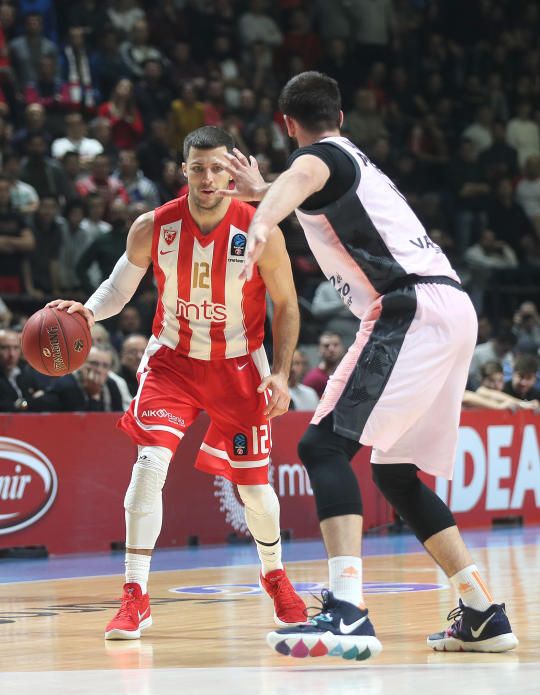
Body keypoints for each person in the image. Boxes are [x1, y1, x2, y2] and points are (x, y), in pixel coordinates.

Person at [217, 72, 518, 660]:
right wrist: (262, 193)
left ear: (287, 124)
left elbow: (302, 175)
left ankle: (348, 610)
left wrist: (258, 219)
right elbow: (302, 185)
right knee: (395, 473)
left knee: (322, 448)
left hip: (408, 308)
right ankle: (481, 609)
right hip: (451, 307)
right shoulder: (350, 161)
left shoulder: (319, 158)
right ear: (342, 115)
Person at [48, 126, 306, 640]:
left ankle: (274, 575)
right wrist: (88, 311)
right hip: (173, 362)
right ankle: (135, 595)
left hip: (238, 367)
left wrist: (279, 372)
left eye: (216, 168)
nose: (207, 178)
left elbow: (288, 306)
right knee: (149, 464)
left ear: (231, 172)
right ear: (182, 170)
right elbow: (120, 287)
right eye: (197, 168)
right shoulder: (153, 227)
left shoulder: (260, 230)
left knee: (254, 490)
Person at [302, 330, 345, 397]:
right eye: (326, 346)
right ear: (319, 350)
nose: (331, 349)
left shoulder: (348, 376)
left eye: (335, 345)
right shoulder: (313, 379)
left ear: (342, 348)